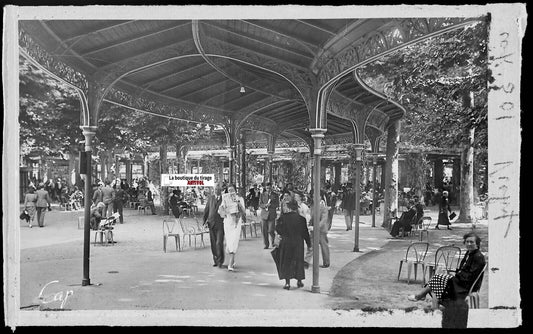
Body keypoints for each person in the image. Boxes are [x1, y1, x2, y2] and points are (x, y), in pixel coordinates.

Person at [408, 232, 486, 327]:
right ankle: (428, 303)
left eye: (472, 242)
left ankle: (421, 296)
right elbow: (462, 270)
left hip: (465, 285)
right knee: (438, 282)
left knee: (438, 278)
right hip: (461, 280)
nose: (469, 244)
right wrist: (455, 275)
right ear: (464, 243)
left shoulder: (478, 257)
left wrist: (455, 277)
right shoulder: (469, 253)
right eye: (467, 242)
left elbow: (470, 276)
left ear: (477, 243)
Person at [275, 197, 311, 290]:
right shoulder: (301, 219)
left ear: (288, 207)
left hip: (286, 242)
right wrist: (309, 244)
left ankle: (287, 283)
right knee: (299, 261)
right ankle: (299, 281)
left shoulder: (283, 218)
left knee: (287, 262)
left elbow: (278, 229)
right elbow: (305, 233)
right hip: (298, 242)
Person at [217, 184, 246, 271]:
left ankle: (230, 263)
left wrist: (238, 203)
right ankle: (232, 260)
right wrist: (223, 209)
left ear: (235, 190)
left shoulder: (240, 199)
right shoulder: (225, 198)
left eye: (232, 190)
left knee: (234, 240)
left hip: (236, 221)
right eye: (229, 190)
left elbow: (244, 211)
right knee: (229, 241)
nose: (230, 192)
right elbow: (220, 211)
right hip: (228, 221)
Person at [304, 190, 330, 268]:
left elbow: (324, 220)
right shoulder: (312, 206)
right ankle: (306, 261)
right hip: (313, 230)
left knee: (324, 246)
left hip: (321, 230)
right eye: (313, 196)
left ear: (320, 197)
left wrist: (316, 227)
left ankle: (326, 262)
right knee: (311, 246)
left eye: (316, 196)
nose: (314, 197)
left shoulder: (323, 207)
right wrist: (309, 225)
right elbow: (312, 217)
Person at [203, 185, 225, 268]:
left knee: (219, 242)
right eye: (215, 189)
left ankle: (220, 261)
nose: (216, 190)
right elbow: (207, 210)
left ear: (221, 190)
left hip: (221, 224)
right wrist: (204, 221)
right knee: (213, 243)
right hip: (211, 223)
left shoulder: (224, 199)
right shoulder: (211, 198)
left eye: (218, 189)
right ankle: (215, 259)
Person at [259, 182, 280, 249]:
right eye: (267, 188)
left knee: (271, 230)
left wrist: (271, 205)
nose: (268, 189)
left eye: (270, 188)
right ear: (265, 188)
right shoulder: (262, 194)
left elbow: (277, 204)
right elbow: (260, 204)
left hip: (272, 214)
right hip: (264, 215)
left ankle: (273, 242)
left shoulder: (275, 195)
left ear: (272, 188)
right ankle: (266, 244)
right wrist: (265, 205)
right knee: (264, 230)